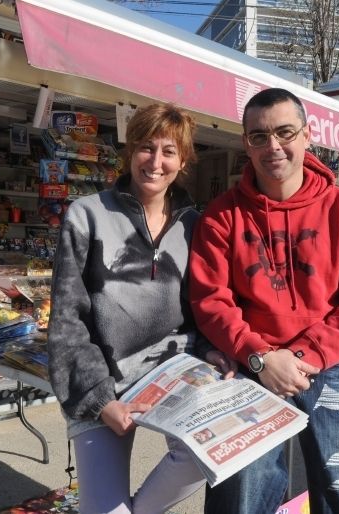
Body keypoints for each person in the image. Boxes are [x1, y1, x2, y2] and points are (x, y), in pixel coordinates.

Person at [189, 88, 339, 513]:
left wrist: (303, 355)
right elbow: (210, 300)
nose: (272, 146)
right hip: (250, 362)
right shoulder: (222, 215)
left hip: (329, 360)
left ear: (307, 135)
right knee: (241, 489)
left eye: (284, 132)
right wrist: (260, 357)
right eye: (259, 136)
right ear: (246, 143)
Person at [47, 102, 234, 514]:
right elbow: (67, 319)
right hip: (104, 380)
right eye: (146, 148)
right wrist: (99, 400)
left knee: (212, 449)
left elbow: (200, 308)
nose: (156, 161)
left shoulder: (195, 225)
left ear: (183, 161)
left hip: (175, 369)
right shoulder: (87, 214)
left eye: (169, 151)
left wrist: (209, 349)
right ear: (130, 151)